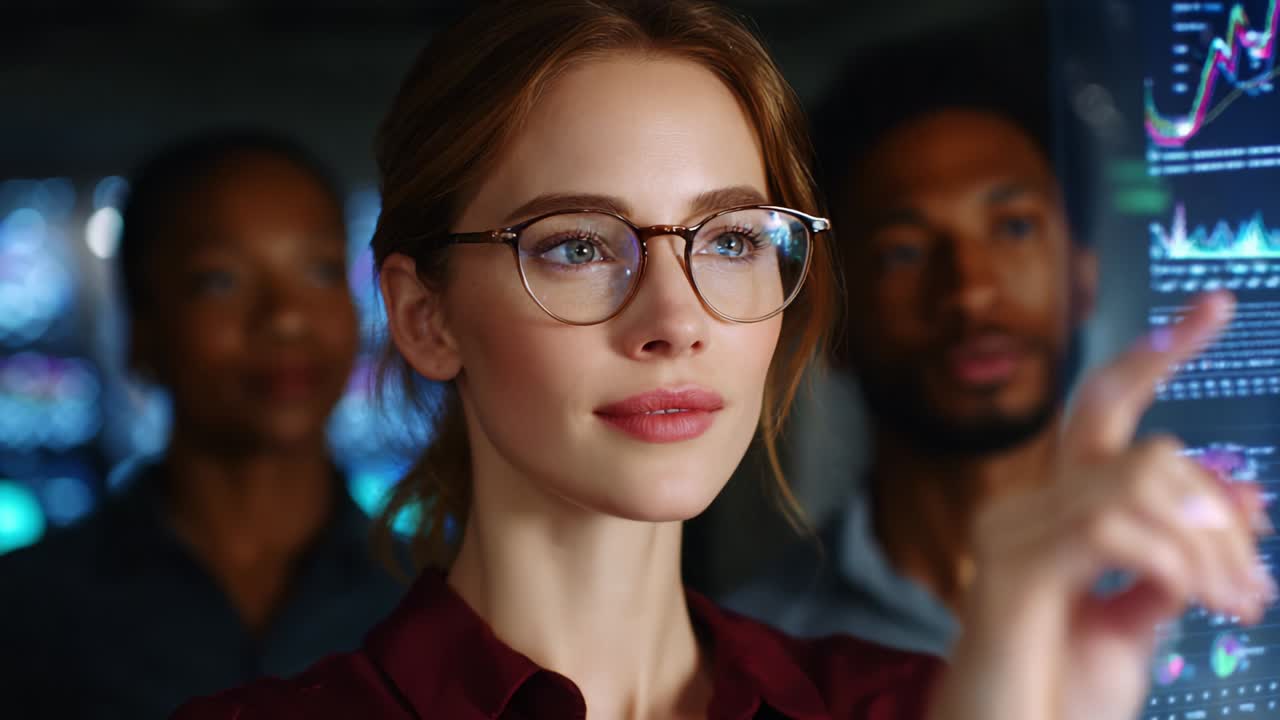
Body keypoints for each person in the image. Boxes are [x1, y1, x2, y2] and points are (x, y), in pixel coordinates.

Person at [173, 2, 1273, 719]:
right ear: (425, 319)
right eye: (576, 246)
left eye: (732, 241)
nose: (675, 318)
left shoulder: (916, 703)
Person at [724, 20, 1099, 656]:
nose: (970, 290)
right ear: (830, 320)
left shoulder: (1208, 585)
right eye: (903, 251)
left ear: (1086, 275)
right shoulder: (760, 657)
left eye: (1013, 227)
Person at [0, 131, 405, 718]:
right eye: (220, 281)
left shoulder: (441, 596)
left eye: (320, 271)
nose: (286, 318)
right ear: (139, 330)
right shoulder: (27, 611)